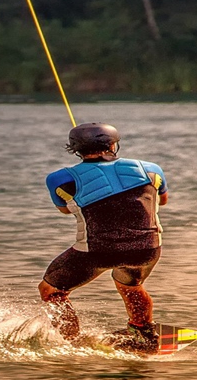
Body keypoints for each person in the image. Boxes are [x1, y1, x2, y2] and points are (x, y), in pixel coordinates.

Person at [39, 122, 169, 345]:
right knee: (131, 285)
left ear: (75, 149)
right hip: (146, 249)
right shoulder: (151, 169)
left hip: (96, 251)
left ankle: (71, 342)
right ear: (113, 144)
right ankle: (143, 332)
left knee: (51, 290)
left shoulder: (59, 179)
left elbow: (64, 209)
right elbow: (163, 200)